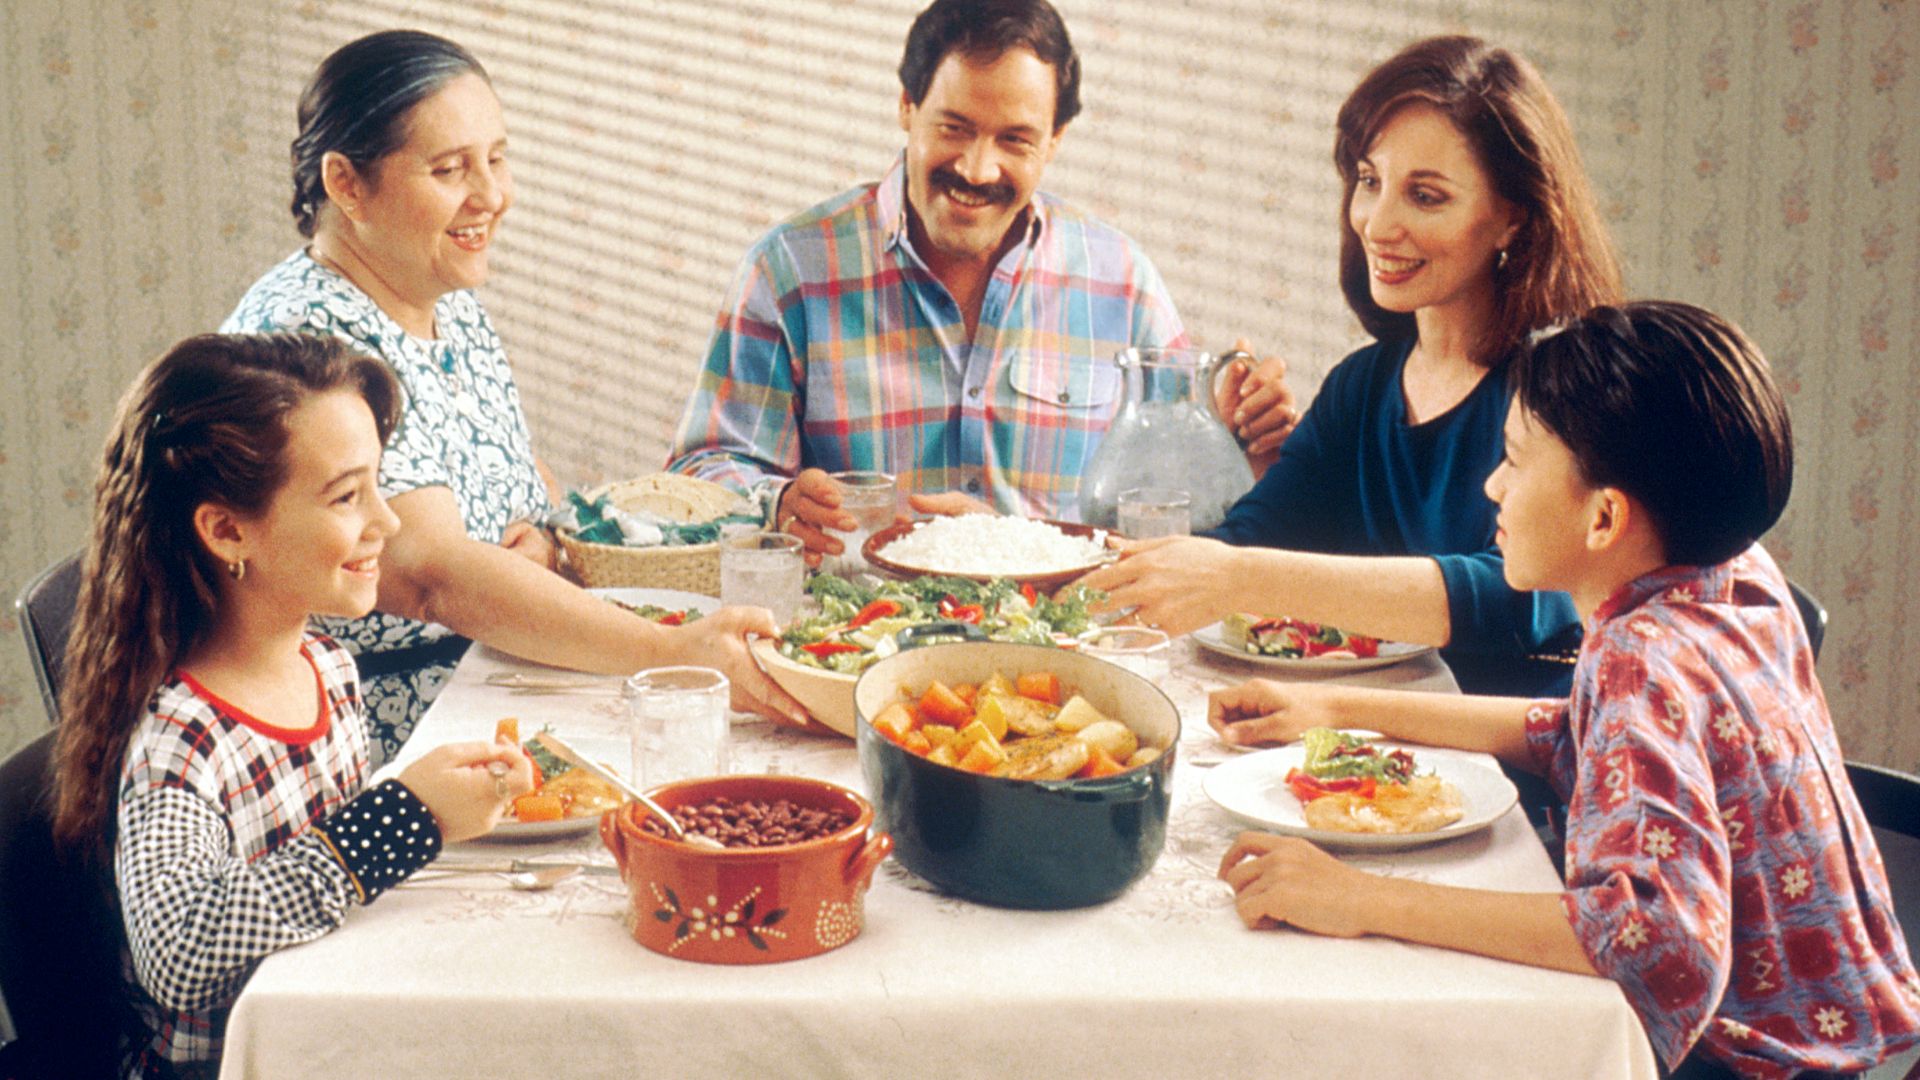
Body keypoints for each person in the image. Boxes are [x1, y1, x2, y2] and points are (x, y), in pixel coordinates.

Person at [1213, 303, 1920, 1079]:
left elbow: (1653, 939)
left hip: (1752, 1061)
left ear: (1605, 517)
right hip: (1859, 1036)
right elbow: (1579, 729)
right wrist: (1338, 707)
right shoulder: (1738, 575)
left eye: (1514, 460)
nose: (1492, 485)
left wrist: (1355, 897)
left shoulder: (1642, 659)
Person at [222, 30, 806, 762]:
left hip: (491, 678)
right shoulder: (310, 341)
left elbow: (518, 485)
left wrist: (549, 539)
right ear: (346, 184)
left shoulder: (440, 294)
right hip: (374, 734)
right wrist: (673, 650)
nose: (492, 196)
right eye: (449, 170)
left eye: (497, 159)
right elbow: (434, 577)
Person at [49, 334, 539, 1079]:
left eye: (379, 484)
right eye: (347, 496)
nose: (389, 522)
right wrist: (403, 819)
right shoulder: (184, 737)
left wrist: (442, 807)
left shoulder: (327, 666)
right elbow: (179, 952)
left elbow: (321, 880)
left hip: (336, 1033)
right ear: (226, 530)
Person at [1081, 35, 1623, 698]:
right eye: (1369, 181)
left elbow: (1519, 593)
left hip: (1523, 775)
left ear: (1511, 218)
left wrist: (1240, 575)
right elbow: (1245, 542)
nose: (1376, 223)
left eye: (1425, 196)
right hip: (1370, 756)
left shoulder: (1565, 393)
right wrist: (1024, 550)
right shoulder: (1362, 387)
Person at [666, 0, 1298, 563]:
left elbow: (1170, 515)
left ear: (1054, 143)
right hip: (852, 646)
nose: (976, 167)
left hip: (1059, 657)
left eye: (1014, 140)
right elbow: (699, 473)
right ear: (907, 108)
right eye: (954, 128)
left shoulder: (1122, 281)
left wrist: (1237, 447)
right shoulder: (789, 272)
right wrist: (776, 503)